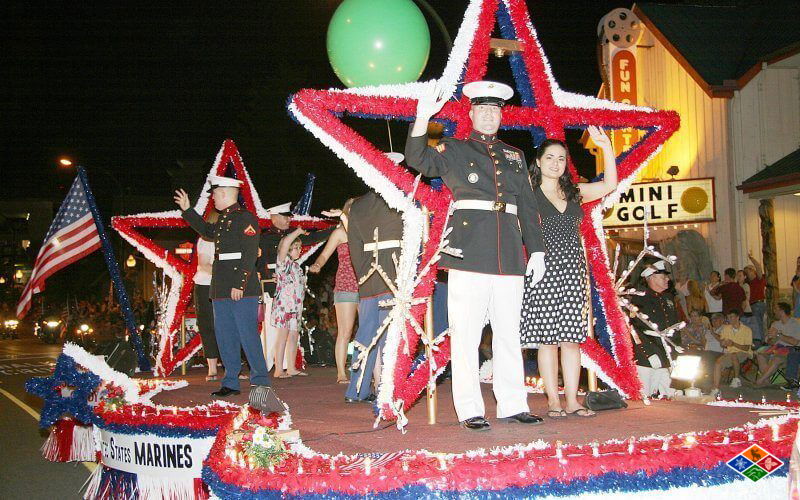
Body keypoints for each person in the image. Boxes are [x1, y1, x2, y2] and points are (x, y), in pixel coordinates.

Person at [405, 81, 546, 430]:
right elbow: (417, 159)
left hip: (509, 252)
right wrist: (423, 119)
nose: (488, 114)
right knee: (466, 334)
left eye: (494, 109)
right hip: (468, 251)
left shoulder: (515, 155)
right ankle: (470, 408)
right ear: (470, 114)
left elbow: (527, 207)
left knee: (509, 333)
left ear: (501, 115)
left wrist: (537, 250)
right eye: (482, 109)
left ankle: (513, 404)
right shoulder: (454, 148)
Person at [519, 127, 616, 419]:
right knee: (547, 338)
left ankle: (573, 401)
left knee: (572, 338)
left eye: (561, 158)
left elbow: (609, 184)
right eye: (549, 157)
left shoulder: (575, 191)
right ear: (538, 161)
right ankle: (553, 401)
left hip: (573, 271)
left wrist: (606, 148)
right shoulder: (528, 193)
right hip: (542, 270)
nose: (555, 163)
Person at [174, 175, 269, 397]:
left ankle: (261, 380)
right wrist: (188, 211)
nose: (213, 198)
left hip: (240, 287)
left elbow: (248, 255)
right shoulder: (224, 220)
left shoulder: (246, 218)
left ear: (225, 193)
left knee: (247, 334)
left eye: (215, 194)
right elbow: (207, 232)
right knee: (225, 336)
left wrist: (240, 284)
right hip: (220, 288)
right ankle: (230, 382)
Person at [257, 203, 334, 372]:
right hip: (273, 289)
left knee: (291, 333)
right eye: (285, 217)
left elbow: (313, 238)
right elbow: (259, 261)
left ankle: (287, 365)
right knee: (272, 332)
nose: (289, 220)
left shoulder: (292, 241)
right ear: (274, 217)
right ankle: (267, 365)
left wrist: (333, 230)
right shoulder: (265, 238)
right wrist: (267, 276)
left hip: (292, 298)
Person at [345, 190, 403, 403]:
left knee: (365, 335)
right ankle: (389, 390)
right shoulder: (403, 198)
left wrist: (363, 274)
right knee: (390, 335)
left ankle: (355, 390)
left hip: (369, 275)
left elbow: (354, 246)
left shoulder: (359, 205)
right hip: (394, 274)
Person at [309, 199, 358, 384]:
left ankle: (367, 370)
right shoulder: (339, 232)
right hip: (346, 284)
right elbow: (324, 255)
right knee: (345, 332)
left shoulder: (366, 231)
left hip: (368, 284)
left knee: (369, 331)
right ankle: (341, 373)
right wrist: (317, 264)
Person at [630, 261, 681, 398]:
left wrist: (676, 348)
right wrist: (648, 353)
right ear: (651, 277)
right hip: (647, 358)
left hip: (666, 355)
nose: (667, 279)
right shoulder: (640, 298)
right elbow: (636, 329)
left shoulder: (668, 298)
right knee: (644, 395)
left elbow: (674, 326)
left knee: (671, 394)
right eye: (663, 276)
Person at [271, 227, 308, 378]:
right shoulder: (283, 262)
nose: (299, 250)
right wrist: (298, 231)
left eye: (299, 247)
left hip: (296, 306)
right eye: (296, 248)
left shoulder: (296, 266)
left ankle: (291, 367)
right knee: (283, 335)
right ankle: (279, 369)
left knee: (293, 336)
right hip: (284, 305)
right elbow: (285, 243)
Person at [194, 211, 220, 381]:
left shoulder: (227, 238)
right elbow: (203, 264)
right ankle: (212, 368)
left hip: (222, 286)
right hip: (205, 286)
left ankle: (232, 367)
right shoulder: (205, 240)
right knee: (208, 326)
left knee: (227, 327)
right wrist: (222, 275)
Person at [754, 302, 800, 387]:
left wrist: (778, 335)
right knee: (760, 354)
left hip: (791, 350)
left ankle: (760, 380)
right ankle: (767, 381)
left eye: (776, 309)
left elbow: (795, 342)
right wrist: (771, 338)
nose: (774, 311)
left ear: (782, 311)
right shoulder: (775, 324)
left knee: (777, 359)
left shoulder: (796, 324)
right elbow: (768, 341)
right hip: (776, 348)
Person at [710, 309, 752, 396]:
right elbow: (723, 344)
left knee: (734, 355)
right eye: (728, 317)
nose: (730, 319)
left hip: (743, 352)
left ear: (737, 317)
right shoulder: (726, 328)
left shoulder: (747, 330)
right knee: (718, 363)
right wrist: (723, 343)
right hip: (730, 353)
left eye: (732, 317)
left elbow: (746, 347)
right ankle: (715, 388)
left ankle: (736, 379)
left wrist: (733, 344)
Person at [745, 251, 767, 342]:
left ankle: (763, 341)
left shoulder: (759, 279)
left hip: (759, 303)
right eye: (746, 272)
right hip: (753, 305)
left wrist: (751, 258)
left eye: (748, 271)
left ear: (753, 271)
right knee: (758, 324)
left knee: (760, 324)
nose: (747, 273)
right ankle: (763, 340)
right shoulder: (748, 282)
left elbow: (758, 267)